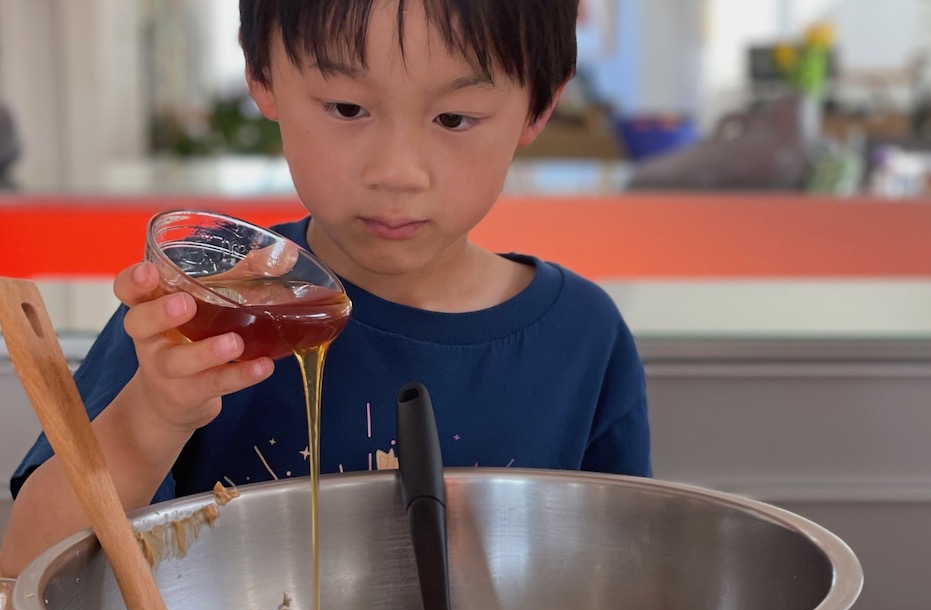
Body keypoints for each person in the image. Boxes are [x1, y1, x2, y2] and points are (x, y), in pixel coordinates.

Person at [2, 0, 651, 577]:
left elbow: (620, 591)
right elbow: (27, 569)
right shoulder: (207, 310)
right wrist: (152, 417)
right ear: (262, 79)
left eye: (454, 118)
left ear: (539, 103)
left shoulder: (583, 340)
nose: (397, 172)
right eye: (347, 108)